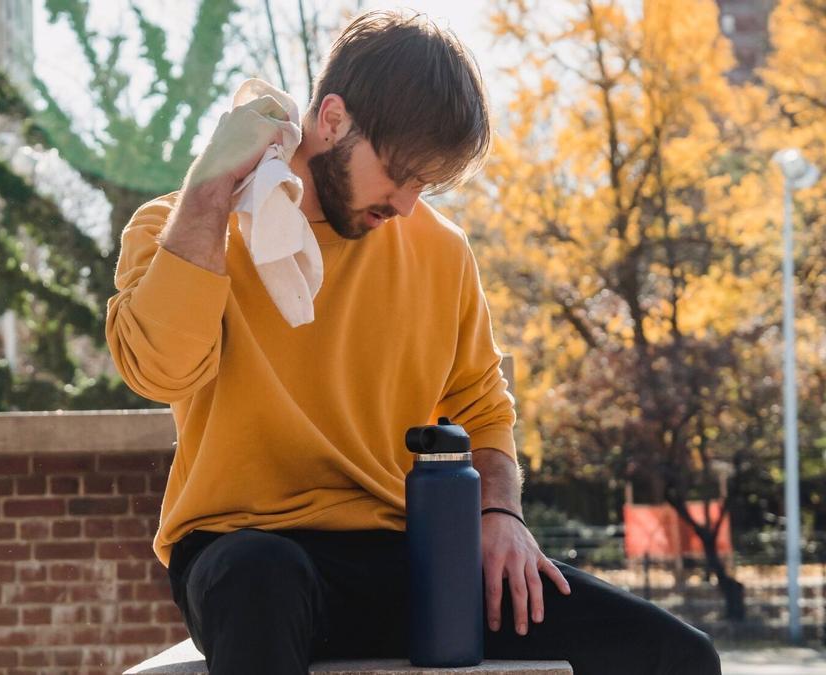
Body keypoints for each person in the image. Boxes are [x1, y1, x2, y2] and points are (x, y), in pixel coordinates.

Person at [105, 9, 720, 675]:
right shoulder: (183, 226)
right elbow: (158, 371)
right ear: (333, 119)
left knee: (675, 655)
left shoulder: (441, 250)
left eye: (426, 183)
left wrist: (498, 513)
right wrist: (206, 197)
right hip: (244, 550)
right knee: (262, 572)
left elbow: (483, 410)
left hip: (411, 556)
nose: (405, 204)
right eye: (399, 173)